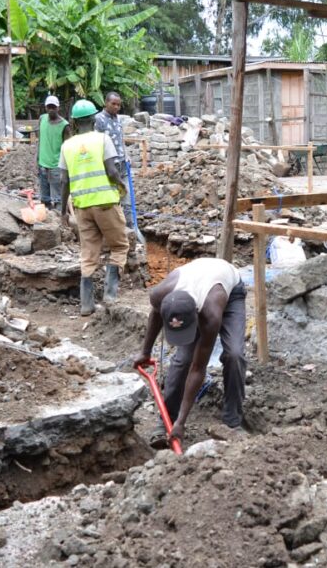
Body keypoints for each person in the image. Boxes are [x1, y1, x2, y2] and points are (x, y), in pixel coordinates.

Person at [132, 258, 247, 447]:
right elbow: (155, 313)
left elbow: (198, 368)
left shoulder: (211, 313)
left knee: (234, 354)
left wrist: (182, 423)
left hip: (228, 289)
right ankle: (166, 420)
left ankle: (232, 421)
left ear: (195, 315)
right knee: (181, 360)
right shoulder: (160, 295)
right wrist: (145, 351)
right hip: (198, 280)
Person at [59, 99, 129, 315]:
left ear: (75, 121)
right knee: (119, 246)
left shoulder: (67, 145)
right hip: (106, 203)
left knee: (88, 254)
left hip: (81, 207)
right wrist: (120, 185)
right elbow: (111, 170)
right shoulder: (102, 139)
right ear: (93, 119)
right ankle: (110, 295)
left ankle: (86, 304)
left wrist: (62, 210)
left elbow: (64, 181)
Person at [94, 91, 133, 225]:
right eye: (113, 104)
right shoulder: (98, 119)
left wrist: (126, 155)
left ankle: (131, 229)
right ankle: (115, 228)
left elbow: (121, 139)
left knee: (127, 199)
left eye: (118, 105)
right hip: (109, 166)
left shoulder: (118, 118)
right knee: (111, 200)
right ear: (106, 103)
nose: (116, 107)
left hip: (122, 164)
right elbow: (96, 144)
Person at [37, 95, 68, 209]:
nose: (51, 109)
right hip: (42, 164)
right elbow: (40, 139)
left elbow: (68, 147)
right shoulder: (42, 119)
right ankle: (47, 218)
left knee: (59, 198)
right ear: (45, 107)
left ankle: (60, 219)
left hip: (56, 166)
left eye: (53, 107)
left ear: (58, 108)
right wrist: (37, 159)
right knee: (45, 198)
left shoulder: (64, 125)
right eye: (49, 107)